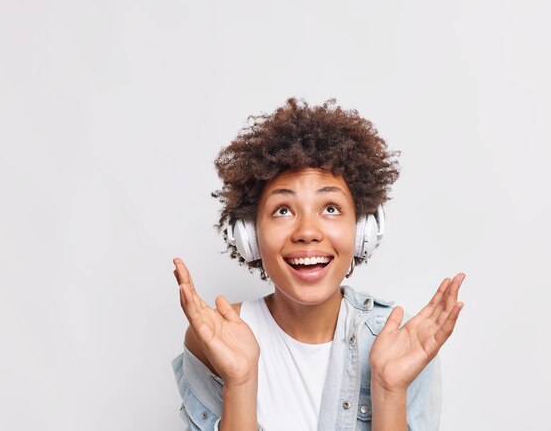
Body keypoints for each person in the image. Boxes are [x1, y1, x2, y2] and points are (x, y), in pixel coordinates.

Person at [172, 98, 465, 431]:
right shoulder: (215, 338)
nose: (307, 232)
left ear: (363, 231)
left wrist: (389, 389)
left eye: (330, 208)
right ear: (249, 235)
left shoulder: (407, 345)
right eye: (283, 210)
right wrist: (240, 381)